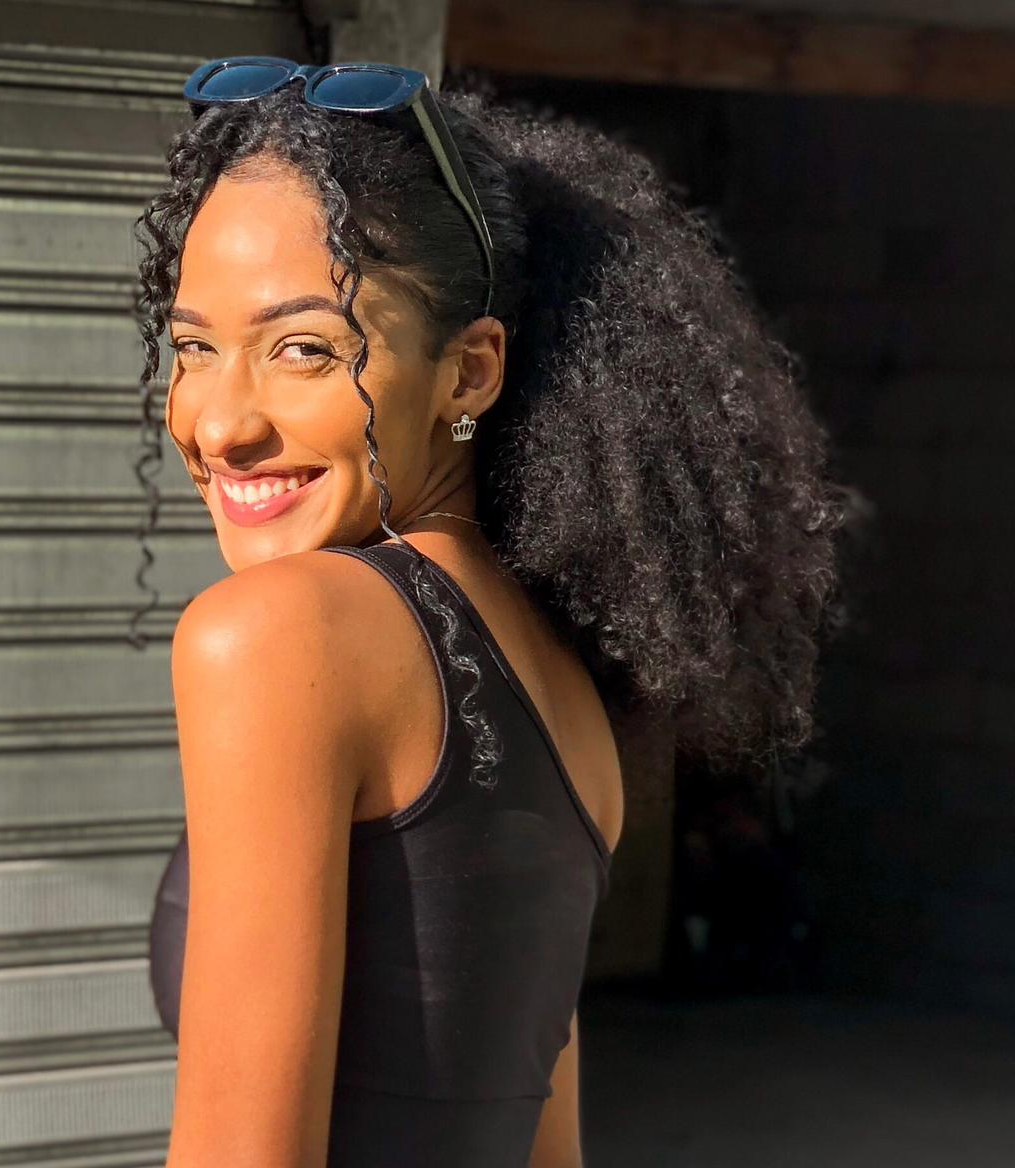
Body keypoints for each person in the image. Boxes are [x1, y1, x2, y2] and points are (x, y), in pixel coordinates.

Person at [130, 57, 847, 1168]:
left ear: (468, 373)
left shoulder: (279, 633)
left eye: (303, 349)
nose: (220, 425)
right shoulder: (556, 679)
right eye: (194, 348)